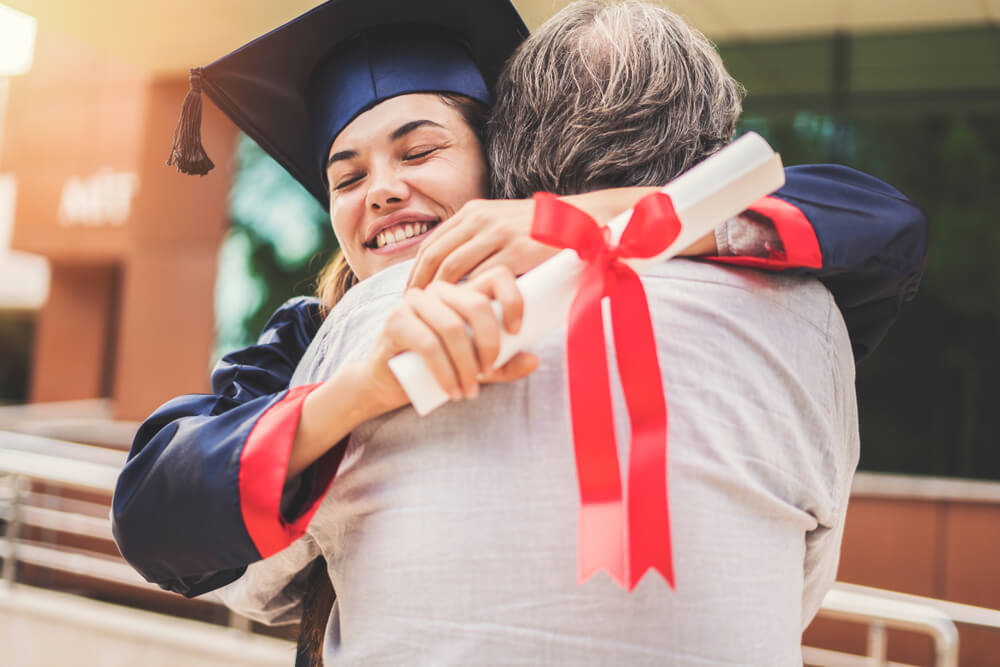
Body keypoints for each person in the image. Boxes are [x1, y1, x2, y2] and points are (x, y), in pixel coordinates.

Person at [112, 0, 927, 663]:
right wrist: (357, 392)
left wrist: (586, 224)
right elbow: (156, 502)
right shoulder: (321, 333)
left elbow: (871, 215)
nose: (385, 191)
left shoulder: (613, 263)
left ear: (503, 166)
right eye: (348, 175)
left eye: (420, 150)